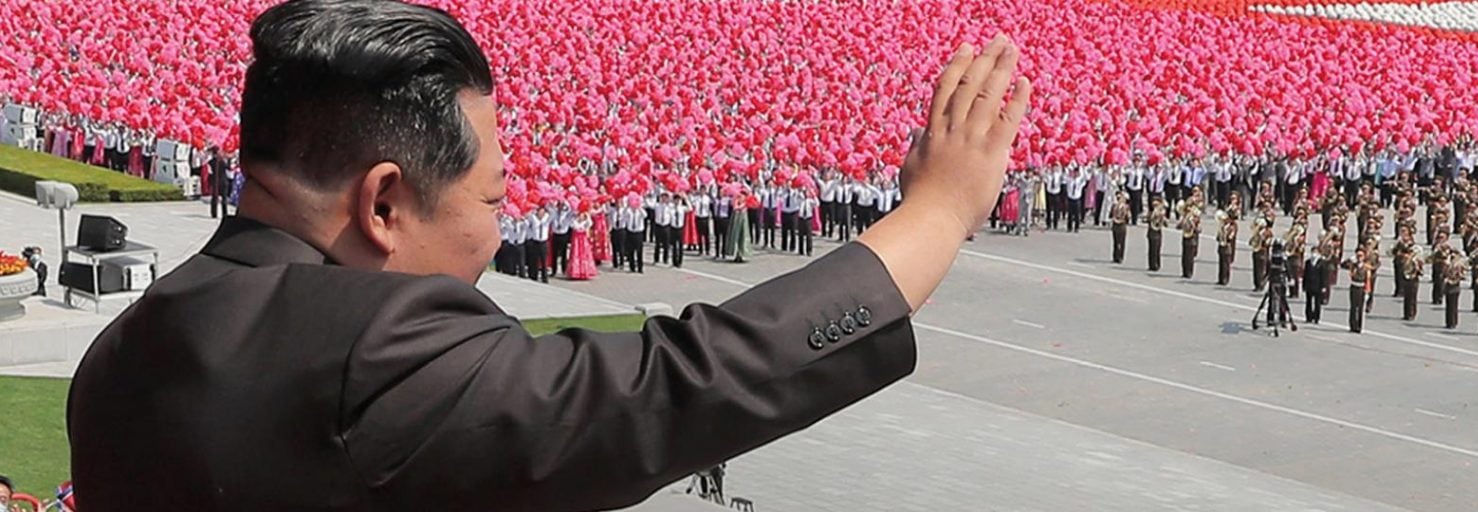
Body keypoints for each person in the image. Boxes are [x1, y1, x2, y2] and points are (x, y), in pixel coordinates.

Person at [66, 3, 1033, 509]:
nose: (496, 230)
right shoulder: (359, 348)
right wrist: (938, 211)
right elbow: (671, 387)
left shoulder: (128, 345)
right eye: (489, 199)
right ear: (386, 202)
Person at [566, 209, 596, 280]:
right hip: (576, 241)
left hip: (583, 241)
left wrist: (587, 214)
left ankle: (585, 271)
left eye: (582, 215)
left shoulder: (585, 223)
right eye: (579, 215)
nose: (580, 217)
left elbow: (590, 223)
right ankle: (575, 272)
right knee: (576, 255)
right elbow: (572, 224)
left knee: (584, 255)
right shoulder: (575, 222)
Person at [525, 206, 551, 282]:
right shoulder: (533, 217)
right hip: (535, 241)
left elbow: (553, 213)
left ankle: (544, 277)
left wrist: (549, 206)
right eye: (539, 211)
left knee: (544, 260)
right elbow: (527, 223)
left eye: (542, 211)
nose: (541, 213)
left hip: (543, 242)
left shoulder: (547, 218)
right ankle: (534, 276)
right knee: (534, 260)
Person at [1145, 197, 1166, 272]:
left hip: (1158, 233)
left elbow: (1165, 224)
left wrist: (1162, 217)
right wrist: (1153, 214)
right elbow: (1147, 220)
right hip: (1151, 232)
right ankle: (1152, 265)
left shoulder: (1161, 213)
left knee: (1157, 249)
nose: (1155, 206)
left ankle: (1157, 264)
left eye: (1157, 204)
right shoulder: (1151, 212)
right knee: (1151, 249)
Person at [1110, 192, 1130, 264]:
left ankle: (1120, 257)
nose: (1119, 200)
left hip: (1122, 225)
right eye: (1118, 198)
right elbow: (1110, 215)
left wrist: (1126, 213)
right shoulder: (1114, 206)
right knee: (1115, 241)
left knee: (1121, 242)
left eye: (1121, 198)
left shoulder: (1126, 207)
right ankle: (1115, 256)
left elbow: (1127, 219)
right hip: (1115, 224)